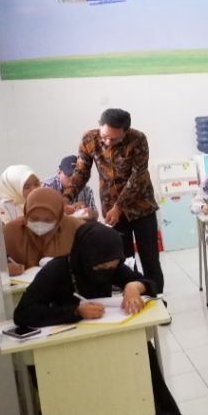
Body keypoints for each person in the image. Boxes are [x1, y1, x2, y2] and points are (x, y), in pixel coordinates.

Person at [13, 222, 208, 415]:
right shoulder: (56, 271)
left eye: (113, 266)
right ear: (85, 256)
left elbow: (150, 282)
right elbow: (23, 313)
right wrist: (75, 311)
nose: (107, 271)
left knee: (142, 349)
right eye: (102, 267)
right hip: (68, 352)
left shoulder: (109, 265)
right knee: (111, 389)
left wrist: (134, 287)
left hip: (102, 341)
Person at [64, 108, 164, 291]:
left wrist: (119, 206)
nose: (108, 142)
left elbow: (138, 177)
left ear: (126, 131)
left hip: (142, 207)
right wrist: (65, 198)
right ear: (99, 126)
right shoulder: (89, 139)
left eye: (115, 139)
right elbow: (81, 172)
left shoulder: (138, 139)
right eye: (105, 137)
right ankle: (131, 298)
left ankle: (156, 299)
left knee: (150, 260)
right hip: (112, 211)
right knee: (122, 261)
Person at [3, 188, 85, 276]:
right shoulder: (11, 231)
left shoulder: (76, 228)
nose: (40, 224)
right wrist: (5, 269)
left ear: (59, 218)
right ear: (26, 214)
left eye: (48, 220)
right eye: (34, 219)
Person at [41, 155, 99, 221]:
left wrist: (90, 213)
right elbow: (43, 215)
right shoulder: (47, 186)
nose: (73, 179)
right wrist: (69, 209)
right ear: (59, 172)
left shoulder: (86, 189)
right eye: (69, 175)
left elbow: (96, 215)